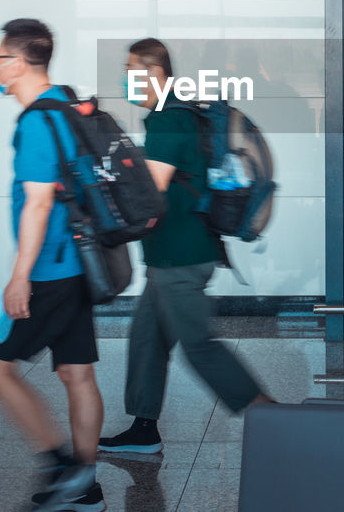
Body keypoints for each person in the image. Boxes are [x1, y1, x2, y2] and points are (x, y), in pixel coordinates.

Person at [99, 37, 271, 455]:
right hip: (170, 254)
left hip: (181, 254)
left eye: (130, 71)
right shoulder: (172, 112)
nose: (125, 79)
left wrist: (103, 198)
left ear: (154, 72)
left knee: (199, 345)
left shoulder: (168, 120)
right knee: (146, 338)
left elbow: (150, 192)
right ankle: (143, 428)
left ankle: (271, 416)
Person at [0, 18, 106, 512]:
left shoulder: (36, 121)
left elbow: (37, 205)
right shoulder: (68, 106)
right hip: (78, 262)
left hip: (48, 271)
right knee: (76, 374)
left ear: (18, 63)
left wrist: (19, 278)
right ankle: (87, 487)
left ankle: (61, 467)